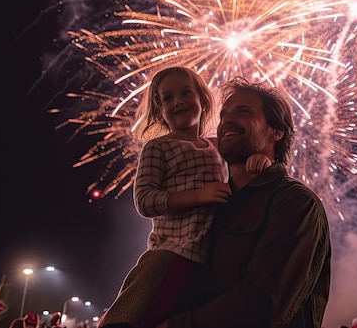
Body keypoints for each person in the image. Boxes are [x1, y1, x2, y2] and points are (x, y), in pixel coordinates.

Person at [98, 68, 271, 328]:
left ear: (203, 99)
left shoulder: (217, 145)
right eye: (167, 98)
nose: (177, 101)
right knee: (132, 317)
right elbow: (145, 200)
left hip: (208, 259)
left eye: (185, 93)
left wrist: (260, 159)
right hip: (172, 252)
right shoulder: (158, 147)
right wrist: (199, 195)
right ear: (159, 111)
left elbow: (242, 169)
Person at [152, 77, 331, 327]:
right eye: (224, 115)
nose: (226, 121)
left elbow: (262, 303)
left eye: (243, 112)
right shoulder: (213, 205)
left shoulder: (296, 203)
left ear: (275, 132)